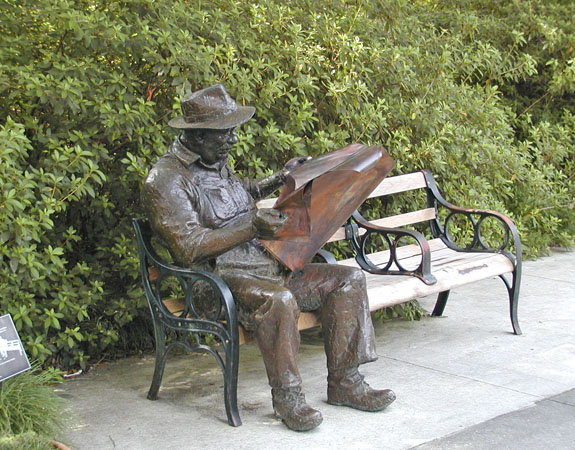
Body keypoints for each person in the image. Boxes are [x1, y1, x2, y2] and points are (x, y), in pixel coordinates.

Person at [141, 84, 395, 431]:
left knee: (347, 280)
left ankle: (346, 383)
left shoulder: (214, 161)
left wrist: (279, 180)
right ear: (198, 136)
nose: (232, 140)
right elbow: (188, 248)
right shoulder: (166, 180)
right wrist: (251, 227)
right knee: (280, 300)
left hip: (265, 264)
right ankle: (289, 400)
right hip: (213, 283)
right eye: (225, 134)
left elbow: (239, 191)